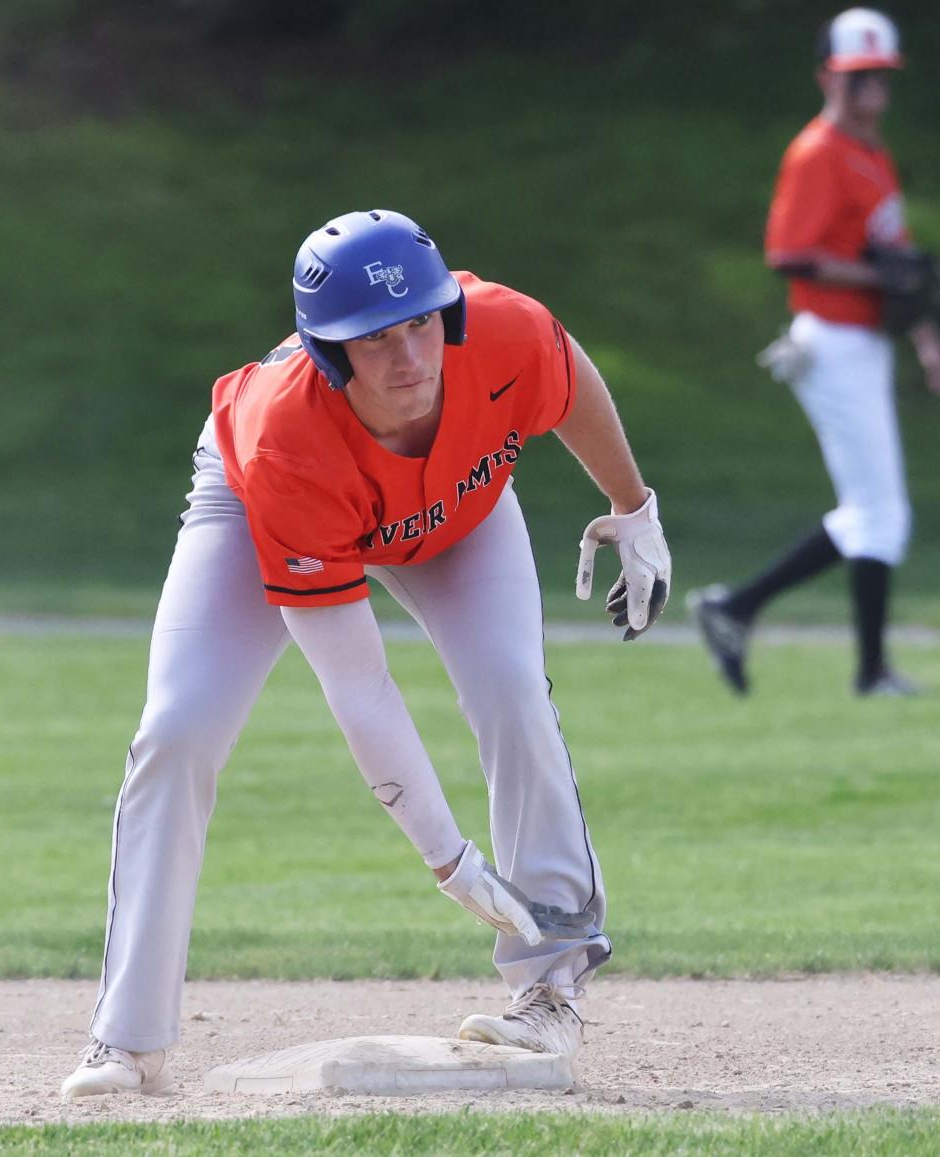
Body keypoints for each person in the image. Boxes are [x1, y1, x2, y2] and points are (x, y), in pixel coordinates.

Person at [60, 209, 671, 1098]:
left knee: (511, 689)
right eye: (374, 338)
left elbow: (568, 379)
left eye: (422, 322)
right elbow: (358, 681)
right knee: (178, 729)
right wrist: (449, 859)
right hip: (267, 501)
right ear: (327, 349)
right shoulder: (286, 439)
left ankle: (551, 984)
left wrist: (635, 505)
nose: (410, 358)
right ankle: (126, 1038)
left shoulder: (499, 329)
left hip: (458, 510)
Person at [688, 7, 940, 697]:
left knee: (871, 511)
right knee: (880, 512)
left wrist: (924, 334)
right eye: (859, 80)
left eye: (881, 79)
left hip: (864, 342)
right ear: (828, 77)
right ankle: (869, 671)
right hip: (830, 343)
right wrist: (876, 276)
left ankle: (736, 608)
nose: (873, 94)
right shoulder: (817, 152)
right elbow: (789, 254)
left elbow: (898, 263)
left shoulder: (873, 155)